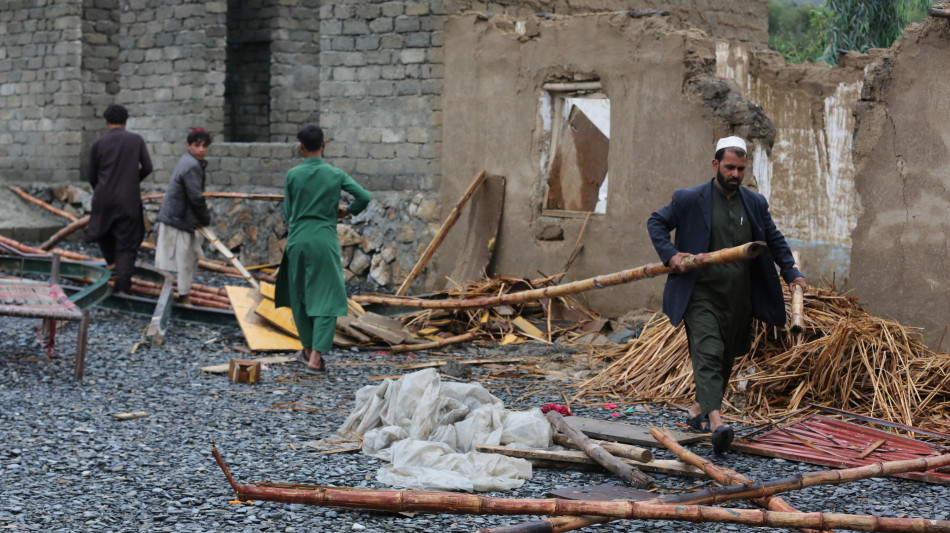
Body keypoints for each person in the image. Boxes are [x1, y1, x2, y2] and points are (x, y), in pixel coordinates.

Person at [647, 136, 806, 455]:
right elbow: (657, 222)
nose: (735, 174)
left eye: (741, 169)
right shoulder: (690, 199)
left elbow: (774, 240)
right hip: (700, 294)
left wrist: (792, 274)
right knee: (708, 351)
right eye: (730, 167)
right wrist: (671, 255)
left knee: (727, 356)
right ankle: (717, 423)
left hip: (738, 298)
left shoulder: (754, 203)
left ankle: (697, 411)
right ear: (715, 164)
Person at [275, 126, 372, 373]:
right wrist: (346, 211)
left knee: (300, 296)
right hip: (323, 240)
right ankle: (315, 357)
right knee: (326, 296)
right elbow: (363, 196)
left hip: (297, 240)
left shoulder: (293, 175)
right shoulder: (335, 174)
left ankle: (306, 348)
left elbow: (287, 211)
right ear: (324, 144)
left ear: (301, 147)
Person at [86, 104, 153, 295]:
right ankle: (123, 287)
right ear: (126, 121)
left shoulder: (98, 143)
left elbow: (91, 174)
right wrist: (131, 181)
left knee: (101, 231)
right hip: (128, 200)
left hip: (103, 198)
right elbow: (147, 167)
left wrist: (101, 188)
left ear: (106, 121)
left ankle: (113, 265)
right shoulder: (136, 140)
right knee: (126, 243)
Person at [155, 128, 213, 305]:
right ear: (188, 146)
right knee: (183, 260)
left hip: (176, 217)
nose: (201, 150)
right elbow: (196, 197)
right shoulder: (191, 165)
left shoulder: (189, 162)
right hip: (178, 219)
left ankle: (172, 296)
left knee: (174, 260)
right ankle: (182, 297)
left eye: (204, 146)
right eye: (197, 145)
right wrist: (205, 219)